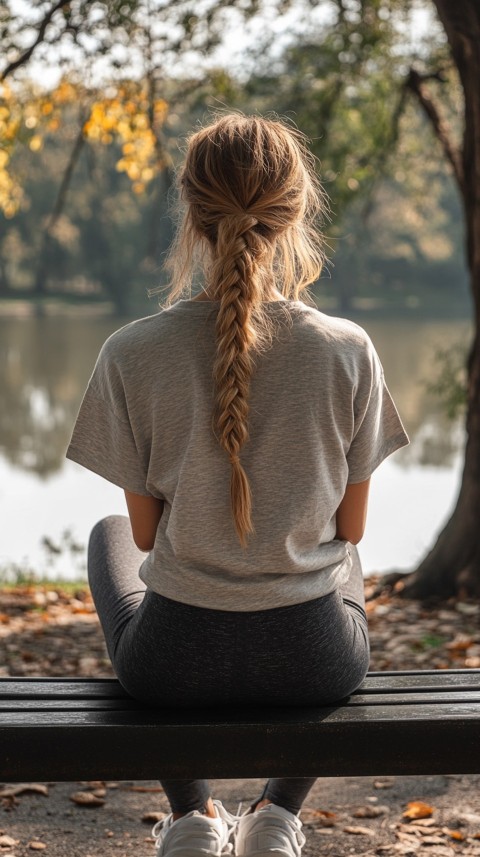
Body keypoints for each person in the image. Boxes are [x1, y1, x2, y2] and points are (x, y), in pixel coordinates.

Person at [66, 113, 409, 857]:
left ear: (190, 213)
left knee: (110, 533)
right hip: (315, 662)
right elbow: (349, 530)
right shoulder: (349, 349)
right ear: (294, 212)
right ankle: (277, 815)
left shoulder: (130, 352)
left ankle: (191, 816)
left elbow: (150, 537)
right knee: (342, 557)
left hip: (171, 662)